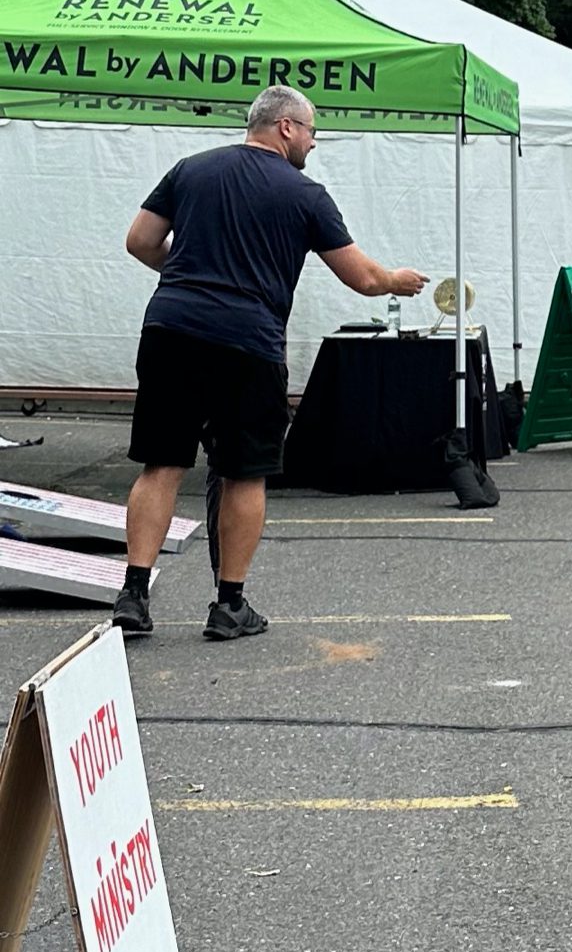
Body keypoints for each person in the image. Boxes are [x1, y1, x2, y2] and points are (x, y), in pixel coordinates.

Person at [110, 85, 426, 641]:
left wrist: (186, 272)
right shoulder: (305, 194)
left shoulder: (191, 169)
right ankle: (229, 604)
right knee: (243, 472)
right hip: (247, 342)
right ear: (286, 127)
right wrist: (396, 281)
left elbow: (140, 241)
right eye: (311, 131)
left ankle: (134, 594)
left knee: (161, 464)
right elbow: (362, 277)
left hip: (171, 329)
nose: (313, 143)